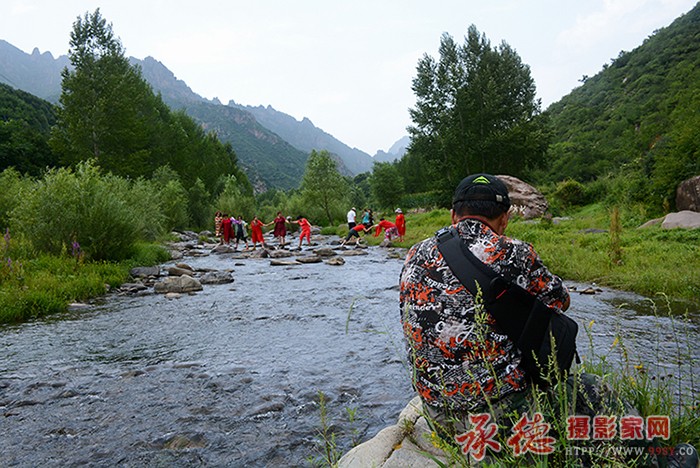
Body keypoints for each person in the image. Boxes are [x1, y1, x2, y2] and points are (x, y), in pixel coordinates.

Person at [399, 173, 571, 435]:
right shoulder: (515, 252)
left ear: (453, 216)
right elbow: (561, 301)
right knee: (589, 387)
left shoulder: (415, 252)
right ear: (505, 218)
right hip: (499, 415)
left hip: (435, 410)